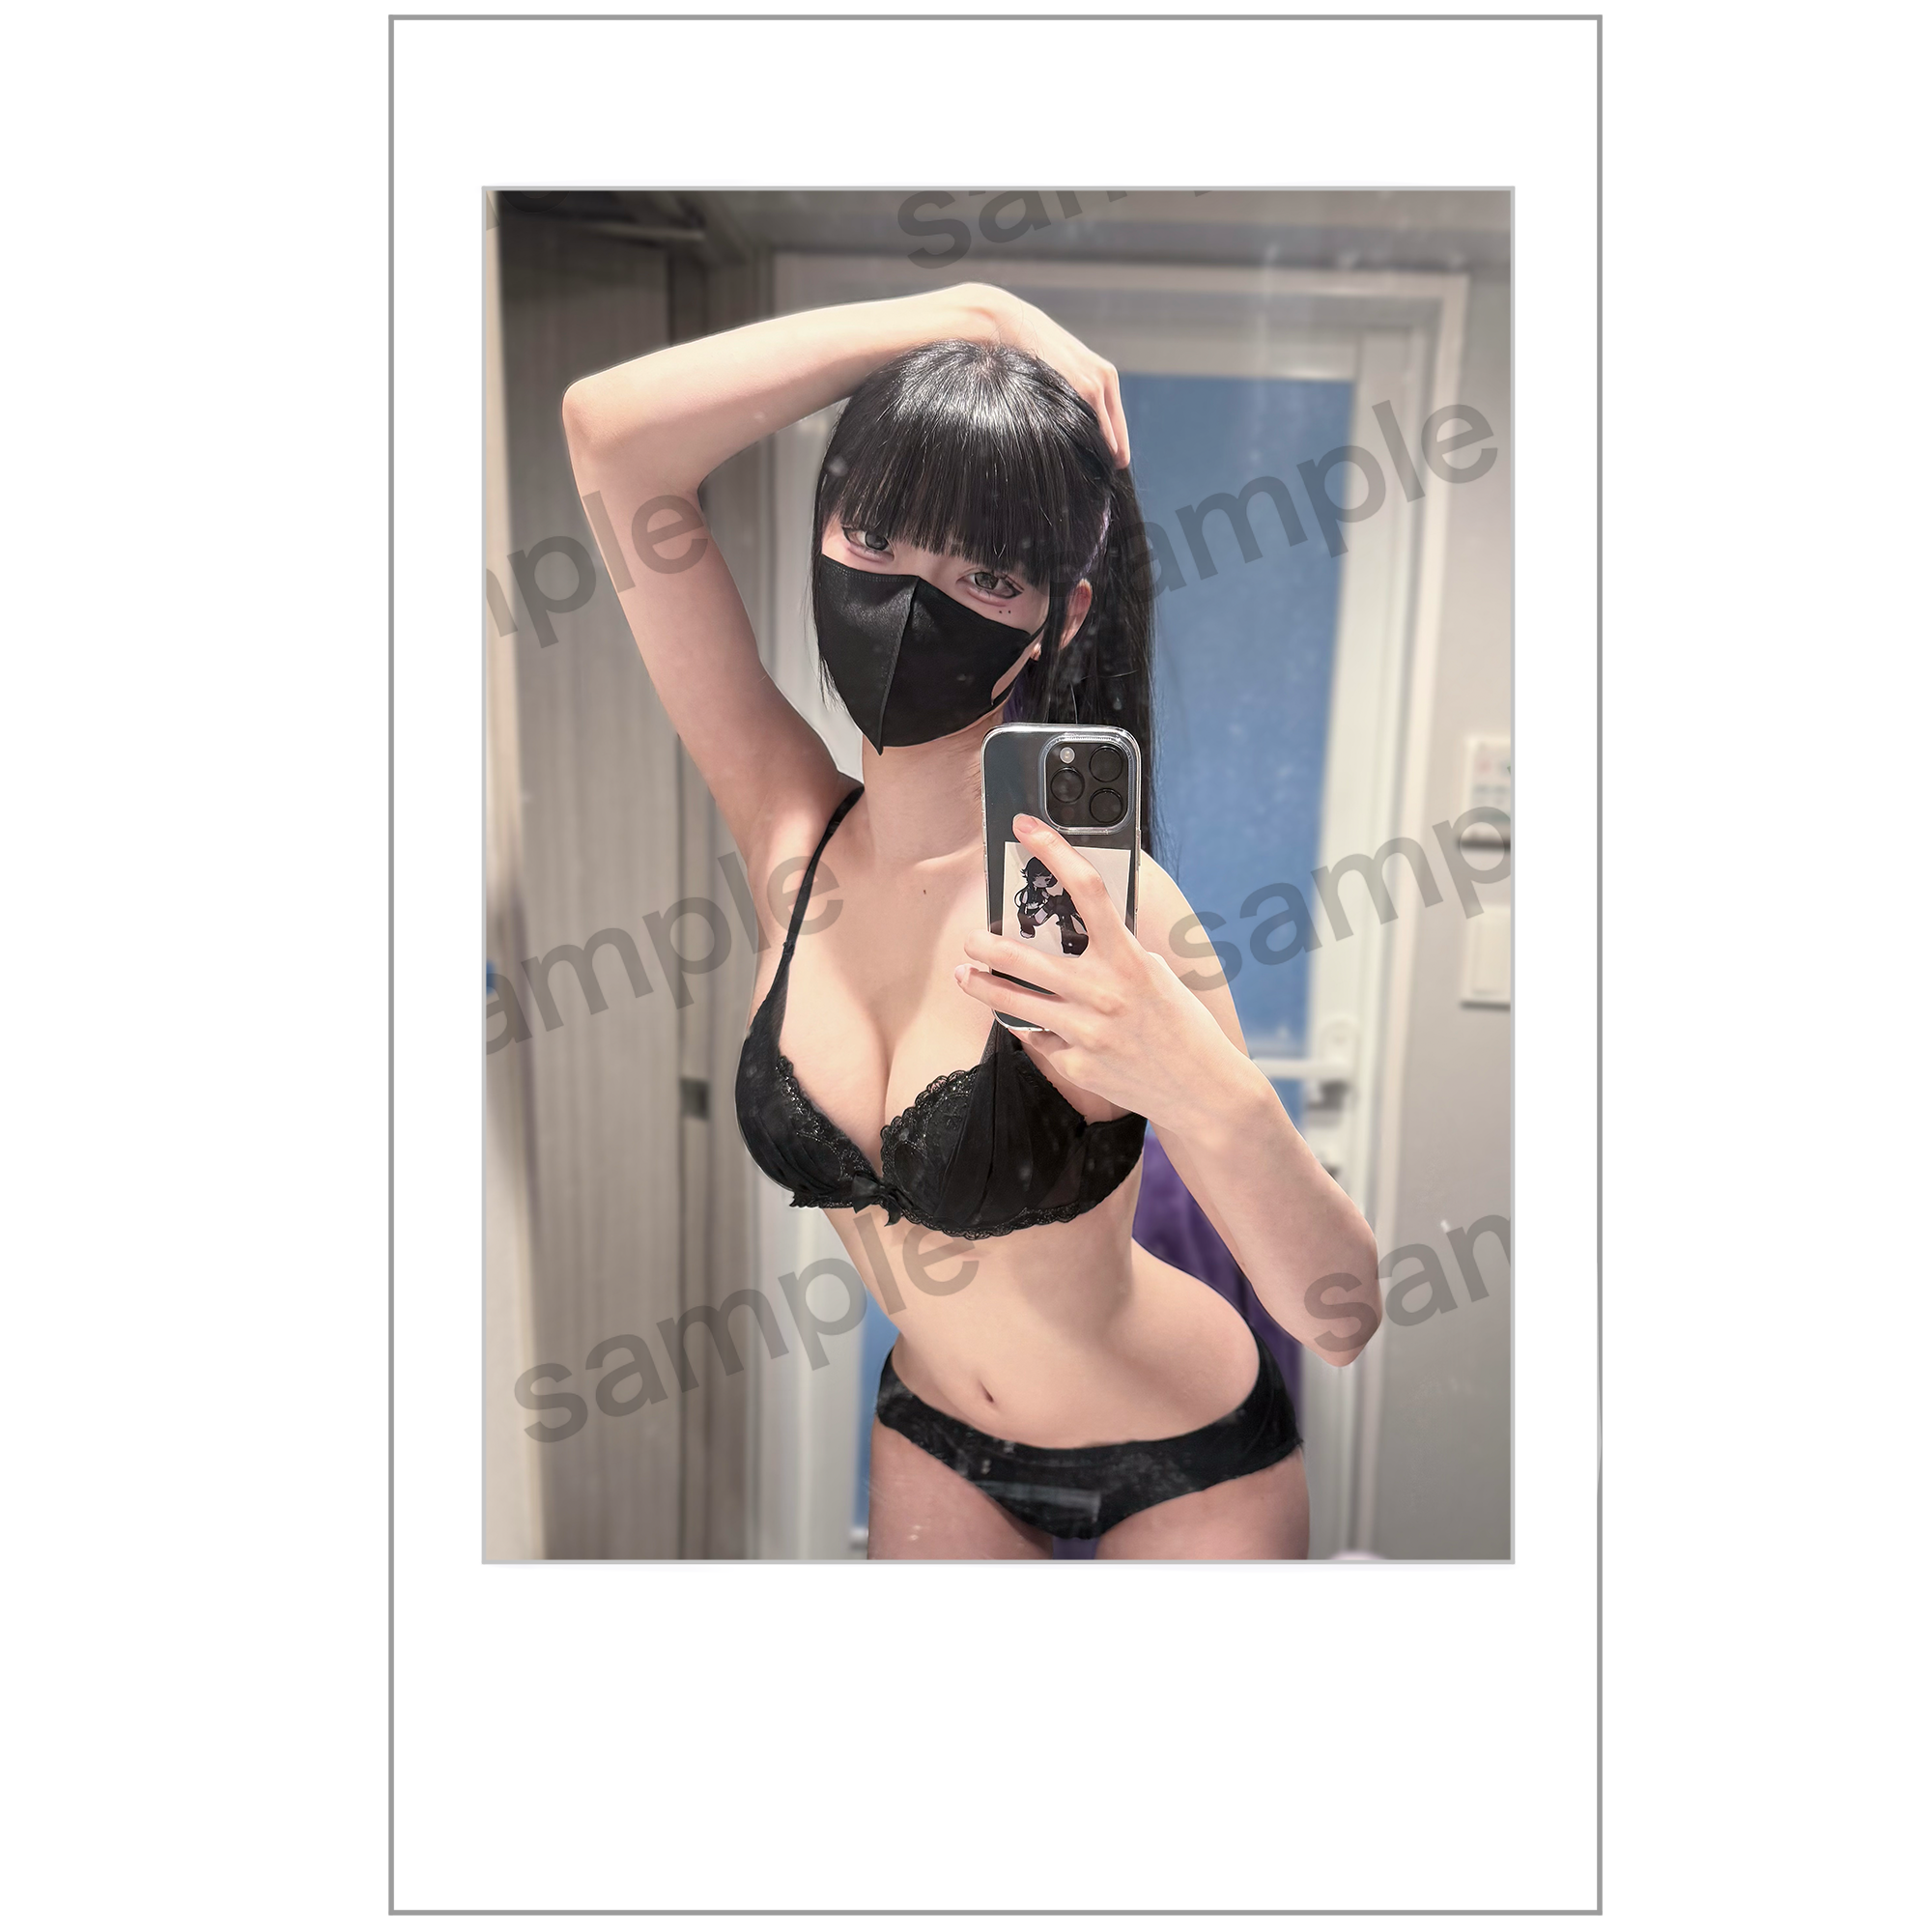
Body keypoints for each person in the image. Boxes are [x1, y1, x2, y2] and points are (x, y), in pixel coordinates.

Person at [561, 282, 1380, 1558]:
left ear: (1060, 618)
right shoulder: (788, 828)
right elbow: (611, 438)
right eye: (875, 536)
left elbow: (1339, 1315)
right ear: (823, 534)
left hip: (1188, 1456)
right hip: (936, 1436)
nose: (910, 597)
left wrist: (1196, 1082)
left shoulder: (1114, 906)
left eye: (986, 574)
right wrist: (964, 312)